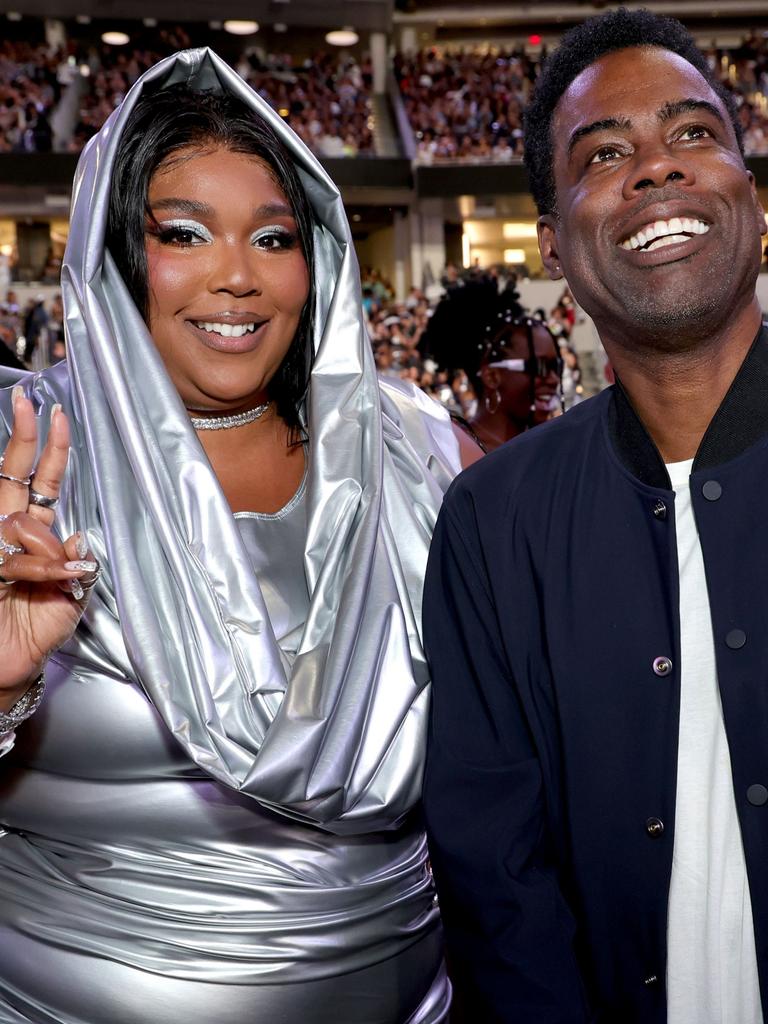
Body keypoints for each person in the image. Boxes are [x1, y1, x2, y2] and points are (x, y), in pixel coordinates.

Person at [0, 48, 473, 1023]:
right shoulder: (20, 454)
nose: (237, 278)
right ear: (114, 254)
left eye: (272, 237)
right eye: (184, 232)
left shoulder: (419, 450)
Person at [423, 9, 768, 1024]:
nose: (657, 170)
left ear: (751, 192)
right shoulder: (493, 523)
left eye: (694, 135)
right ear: (554, 245)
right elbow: (497, 887)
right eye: (606, 153)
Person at [470, 313, 563, 451]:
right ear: (492, 376)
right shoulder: (457, 450)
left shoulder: (552, 447)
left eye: (556, 366)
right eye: (540, 367)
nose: (554, 379)